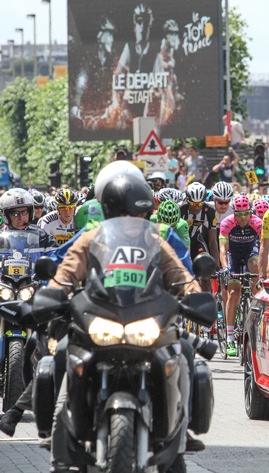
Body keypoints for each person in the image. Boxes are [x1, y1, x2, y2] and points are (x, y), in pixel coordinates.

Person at [48, 171, 205, 470]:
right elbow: (65, 273)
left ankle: (179, 437)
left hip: (147, 321)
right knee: (62, 352)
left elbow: (181, 275)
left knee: (183, 354)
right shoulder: (92, 238)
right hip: (101, 321)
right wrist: (51, 295)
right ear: (111, 211)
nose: (135, 219)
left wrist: (196, 296)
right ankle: (60, 440)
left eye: (141, 213)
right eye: (127, 213)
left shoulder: (156, 239)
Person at [0, 189, 57, 437]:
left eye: (24, 212)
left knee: (49, 333)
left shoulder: (42, 236)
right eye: (16, 213)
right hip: (5, 289)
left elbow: (56, 257)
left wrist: (48, 276)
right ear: (6, 216)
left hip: (29, 289)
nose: (21, 217)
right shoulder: (1, 237)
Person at [219, 194, 261, 357]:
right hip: (233, 254)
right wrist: (226, 268)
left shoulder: (257, 222)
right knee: (234, 291)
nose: (243, 218)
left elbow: (264, 247)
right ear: (234, 213)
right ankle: (230, 336)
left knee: (255, 266)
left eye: (246, 213)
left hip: (251, 252)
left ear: (251, 212)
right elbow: (223, 249)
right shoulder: (227, 222)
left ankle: (256, 301)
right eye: (239, 214)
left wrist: (262, 273)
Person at [180, 182, 219, 263]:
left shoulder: (210, 211)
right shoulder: (180, 209)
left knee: (205, 262)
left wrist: (217, 267)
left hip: (196, 240)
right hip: (181, 242)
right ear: (187, 200)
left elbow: (212, 242)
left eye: (200, 204)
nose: (196, 207)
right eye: (193, 204)